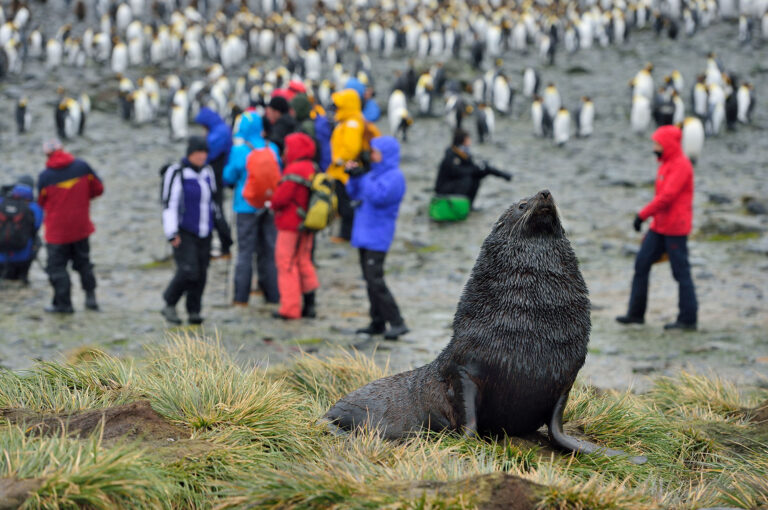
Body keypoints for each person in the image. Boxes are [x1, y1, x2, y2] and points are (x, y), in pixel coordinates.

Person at [617, 125, 698, 330]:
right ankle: (636, 314)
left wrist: (642, 215)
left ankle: (688, 318)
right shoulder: (666, 163)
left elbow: (667, 197)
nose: (654, 147)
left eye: (657, 143)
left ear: (668, 144)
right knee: (641, 263)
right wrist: (651, 223)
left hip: (676, 228)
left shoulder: (680, 165)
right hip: (660, 226)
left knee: (681, 272)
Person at [346, 136, 409, 340]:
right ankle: (377, 321)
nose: (371, 155)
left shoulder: (394, 177)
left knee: (376, 279)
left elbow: (379, 197)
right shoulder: (373, 174)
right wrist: (353, 177)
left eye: (375, 152)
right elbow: (354, 194)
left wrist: (362, 177)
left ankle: (398, 321)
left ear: (386, 154)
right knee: (369, 279)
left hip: (378, 235)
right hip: (364, 233)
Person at [37, 139, 104, 313]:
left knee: (57, 267)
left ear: (47, 154)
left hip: (57, 232)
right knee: (84, 263)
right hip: (81, 227)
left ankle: (64, 304)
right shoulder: (82, 167)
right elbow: (98, 189)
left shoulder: (45, 177)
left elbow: (41, 202)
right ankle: (91, 299)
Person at [223, 111, 281, 306]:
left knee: (245, 251)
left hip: (245, 206)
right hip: (269, 205)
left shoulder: (239, 150)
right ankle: (272, 294)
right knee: (269, 249)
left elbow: (228, 177)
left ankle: (241, 297)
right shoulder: (271, 148)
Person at [161, 136, 217, 325]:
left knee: (201, 272)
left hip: (205, 230)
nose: (202, 156)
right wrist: (171, 232)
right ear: (190, 153)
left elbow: (213, 202)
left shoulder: (208, 172)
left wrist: (220, 230)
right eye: (198, 152)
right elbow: (169, 203)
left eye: (204, 153)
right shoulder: (177, 172)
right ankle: (169, 302)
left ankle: (194, 310)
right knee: (188, 270)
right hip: (185, 230)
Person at [270, 132, 319, 320]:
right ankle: (310, 304)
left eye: (288, 147)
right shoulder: (312, 167)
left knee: (286, 264)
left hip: (291, 225)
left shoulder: (294, 170)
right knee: (303, 260)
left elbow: (279, 199)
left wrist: (272, 202)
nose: (286, 151)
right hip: (307, 224)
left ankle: (290, 308)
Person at [435, 129, 512, 209]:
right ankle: (458, 207)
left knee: (476, 176)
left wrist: (484, 169)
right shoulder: (450, 156)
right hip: (443, 189)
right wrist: (476, 169)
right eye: (468, 139)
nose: (470, 142)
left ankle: (468, 206)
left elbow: (471, 169)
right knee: (467, 178)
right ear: (463, 140)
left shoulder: (464, 154)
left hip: (454, 186)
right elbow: (458, 172)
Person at [326, 88, 365, 242]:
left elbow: (352, 148)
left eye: (340, 104)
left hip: (345, 170)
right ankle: (345, 232)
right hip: (339, 170)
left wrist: (340, 160)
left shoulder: (352, 123)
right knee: (342, 202)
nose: (336, 107)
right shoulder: (345, 122)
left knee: (346, 204)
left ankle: (346, 234)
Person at [194, 107, 234, 257]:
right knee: (215, 209)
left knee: (216, 210)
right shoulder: (219, 129)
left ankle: (225, 245)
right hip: (217, 176)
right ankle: (221, 245)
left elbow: (208, 154)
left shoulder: (219, 133)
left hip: (216, 178)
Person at [0, 176, 43, 283]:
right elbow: (36, 228)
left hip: (1, 257)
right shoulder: (36, 207)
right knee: (37, 240)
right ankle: (23, 279)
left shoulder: (2, 201)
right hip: (22, 259)